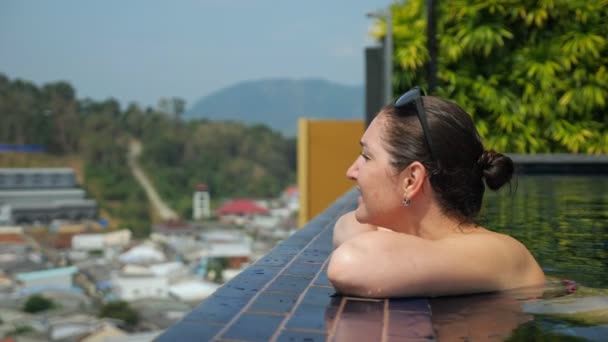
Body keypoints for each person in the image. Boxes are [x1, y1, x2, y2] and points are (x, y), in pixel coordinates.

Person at [327, 87, 545, 298]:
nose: (351, 171)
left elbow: (348, 263)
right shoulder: (443, 247)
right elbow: (347, 226)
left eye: (366, 157)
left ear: (411, 180)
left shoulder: (501, 254)